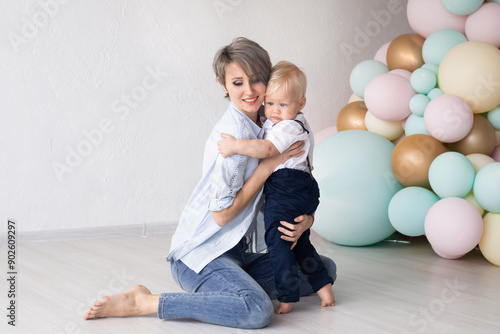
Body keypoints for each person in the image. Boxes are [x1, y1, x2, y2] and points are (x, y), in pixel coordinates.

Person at [83, 37, 336, 329]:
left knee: (323, 270)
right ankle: (146, 302)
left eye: (257, 80)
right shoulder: (233, 140)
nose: (250, 91)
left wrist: (306, 221)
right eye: (238, 82)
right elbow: (221, 215)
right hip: (201, 255)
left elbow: (300, 180)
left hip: (238, 252)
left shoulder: (279, 124)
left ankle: (232, 290)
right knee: (256, 311)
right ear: (223, 85)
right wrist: (267, 166)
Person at [217, 61, 335, 314]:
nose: (275, 111)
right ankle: (323, 286)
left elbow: (268, 150)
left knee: (277, 240)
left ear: (300, 104)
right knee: (299, 241)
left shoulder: (289, 127)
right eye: (270, 103)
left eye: (283, 105)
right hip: (302, 188)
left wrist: (236, 146)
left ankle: (287, 296)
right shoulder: (279, 120)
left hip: (287, 187)